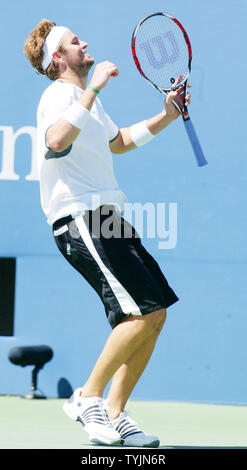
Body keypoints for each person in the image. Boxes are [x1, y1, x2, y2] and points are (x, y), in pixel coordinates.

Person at [24, 19, 191, 447]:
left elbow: (117, 141)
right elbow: (56, 141)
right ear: (57, 58)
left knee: (153, 314)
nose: (85, 44)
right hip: (81, 218)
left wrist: (166, 116)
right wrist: (93, 88)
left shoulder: (84, 101)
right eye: (74, 42)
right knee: (138, 314)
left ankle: (115, 414)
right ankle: (87, 397)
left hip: (108, 217)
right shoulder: (58, 95)